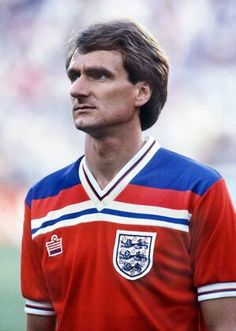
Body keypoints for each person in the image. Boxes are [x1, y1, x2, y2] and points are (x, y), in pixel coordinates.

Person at [21, 19, 236, 331]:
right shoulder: (42, 200)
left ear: (142, 92)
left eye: (99, 75)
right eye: (74, 76)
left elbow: (225, 325)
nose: (77, 89)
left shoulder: (198, 190)